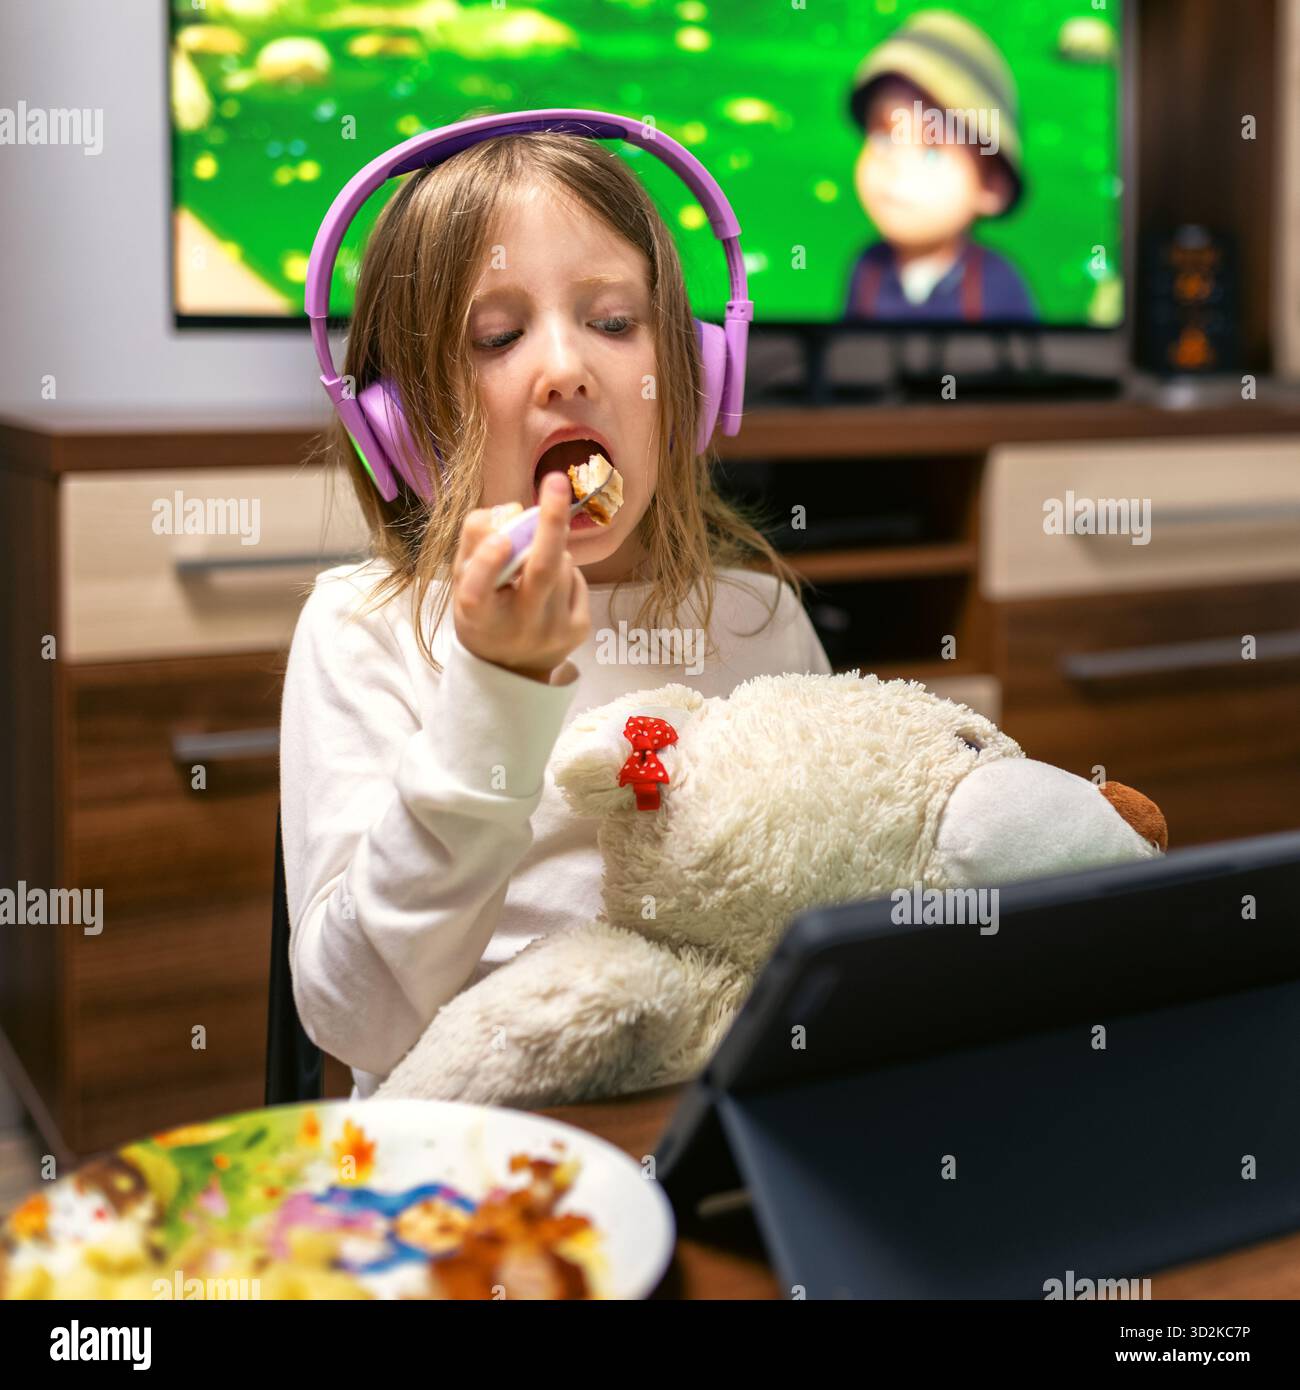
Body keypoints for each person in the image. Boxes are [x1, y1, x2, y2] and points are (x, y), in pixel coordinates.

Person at [280, 130, 833, 1099]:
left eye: (615, 321)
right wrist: (496, 688)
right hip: (471, 1144)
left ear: (693, 380)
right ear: (400, 425)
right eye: (496, 337)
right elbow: (355, 1014)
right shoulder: (361, 630)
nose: (566, 369)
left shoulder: (758, 618)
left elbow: (835, 911)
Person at [843, 9, 1037, 323]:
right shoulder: (866, 269)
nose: (895, 163)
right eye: (883, 138)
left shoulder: (1000, 284)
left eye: (931, 151)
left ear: (991, 185)